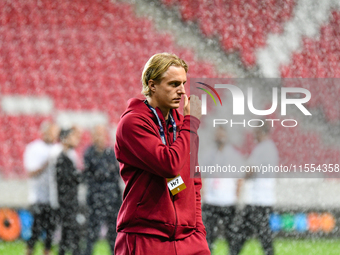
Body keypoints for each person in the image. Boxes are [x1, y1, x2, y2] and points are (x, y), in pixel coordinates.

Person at [114, 53, 210, 255]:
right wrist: (191, 123)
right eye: (174, 84)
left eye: (183, 83)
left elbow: (194, 183)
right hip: (145, 237)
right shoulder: (133, 123)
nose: (182, 91)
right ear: (152, 85)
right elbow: (169, 165)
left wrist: (198, 230)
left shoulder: (183, 126)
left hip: (188, 239)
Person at [230, 122, 279, 255]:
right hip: (265, 199)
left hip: (257, 200)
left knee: (241, 234)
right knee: (263, 236)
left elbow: (250, 170)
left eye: (256, 131)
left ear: (260, 131)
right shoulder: (271, 148)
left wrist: (241, 172)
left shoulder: (262, 149)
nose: (253, 134)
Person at [201, 126, 244, 251]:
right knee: (208, 236)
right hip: (211, 200)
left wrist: (236, 196)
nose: (220, 137)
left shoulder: (234, 155)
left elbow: (240, 178)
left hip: (228, 201)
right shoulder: (208, 154)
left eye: (222, 134)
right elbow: (202, 175)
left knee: (231, 237)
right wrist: (203, 194)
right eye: (218, 134)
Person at [82, 125, 122, 255]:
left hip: (112, 199)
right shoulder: (89, 153)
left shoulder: (111, 152)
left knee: (113, 233)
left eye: (102, 134)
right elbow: (92, 175)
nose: (100, 138)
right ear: (93, 137)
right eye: (97, 135)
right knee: (92, 232)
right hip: (96, 199)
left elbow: (115, 174)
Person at [24, 122, 60, 255]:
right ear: (44, 132)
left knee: (50, 231)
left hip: (53, 197)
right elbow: (31, 172)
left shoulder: (57, 148)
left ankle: (47, 252)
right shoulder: (34, 148)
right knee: (36, 229)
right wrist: (47, 163)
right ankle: (29, 251)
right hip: (38, 196)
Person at [56, 127, 82, 255]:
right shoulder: (62, 159)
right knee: (74, 235)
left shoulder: (68, 157)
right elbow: (69, 180)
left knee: (66, 237)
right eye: (72, 136)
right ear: (64, 139)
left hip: (69, 202)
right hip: (67, 203)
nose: (76, 139)